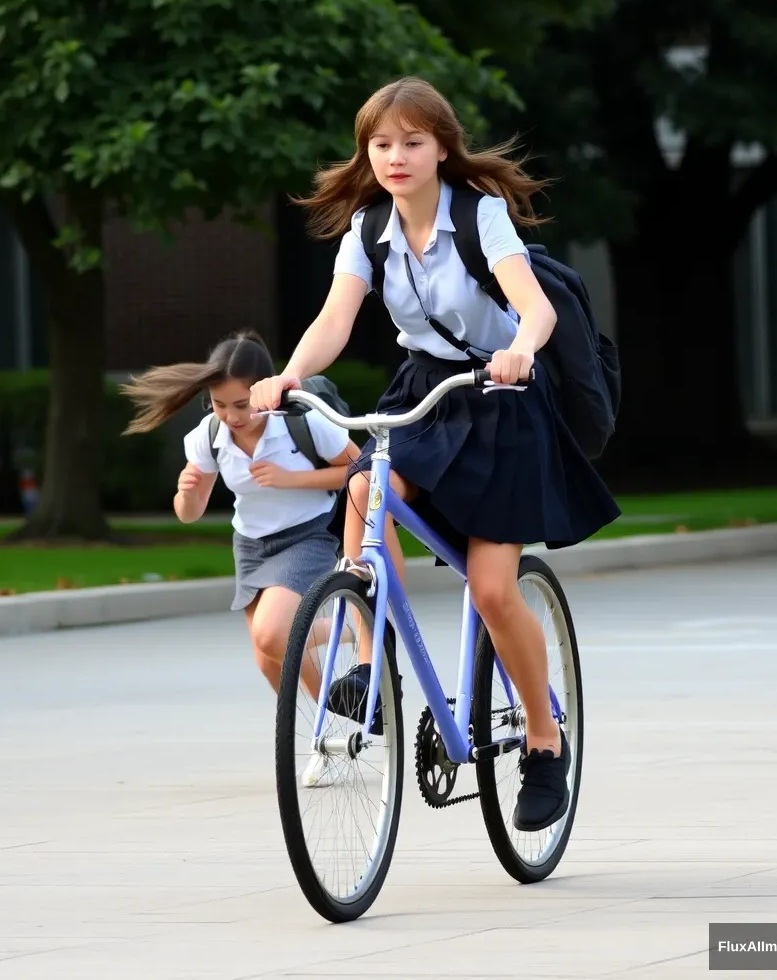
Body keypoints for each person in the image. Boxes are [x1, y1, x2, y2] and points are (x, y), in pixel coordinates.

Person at [249, 76, 621, 831]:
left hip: (502, 399)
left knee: (490, 590)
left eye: (412, 142)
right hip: (422, 390)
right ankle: (370, 660)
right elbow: (334, 319)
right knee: (364, 492)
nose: (395, 156)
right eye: (381, 144)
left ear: (443, 148)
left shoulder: (481, 216)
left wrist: (519, 350)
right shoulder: (368, 230)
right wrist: (289, 373)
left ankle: (545, 747)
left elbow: (536, 307)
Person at [120, 331, 362, 714]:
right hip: (251, 546)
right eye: (219, 404)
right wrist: (187, 493)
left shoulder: (301, 421)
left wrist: (291, 478)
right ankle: (330, 726)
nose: (232, 417)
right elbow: (189, 514)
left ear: (265, 390)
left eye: (242, 404)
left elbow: (357, 471)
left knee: (271, 635)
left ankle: (351, 630)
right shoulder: (211, 435)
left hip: (307, 534)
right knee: (269, 659)